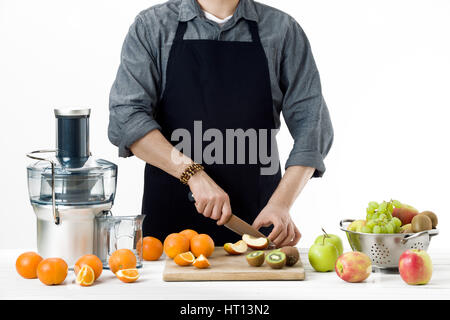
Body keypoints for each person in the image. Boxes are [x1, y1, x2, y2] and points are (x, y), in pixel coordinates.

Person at [108, 0, 333, 247]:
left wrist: (281, 204)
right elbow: (127, 117)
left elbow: (313, 129)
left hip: (257, 225)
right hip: (170, 238)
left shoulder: (283, 30)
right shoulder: (152, 27)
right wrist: (192, 174)